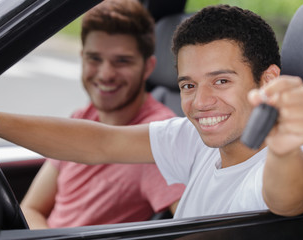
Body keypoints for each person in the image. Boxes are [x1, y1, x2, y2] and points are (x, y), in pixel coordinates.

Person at [0, 4, 303, 219]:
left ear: (268, 79)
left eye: (220, 81)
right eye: (188, 85)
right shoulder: (194, 140)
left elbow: (288, 200)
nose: (200, 103)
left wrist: (285, 148)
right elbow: (99, 143)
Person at [19, 0, 185, 229]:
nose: (105, 74)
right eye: (94, 59)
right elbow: (31, 207)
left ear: (148, 67)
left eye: (122, 61)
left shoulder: (157, 138)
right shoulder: (83, 116)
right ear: (82, 57)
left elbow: (198, 227)